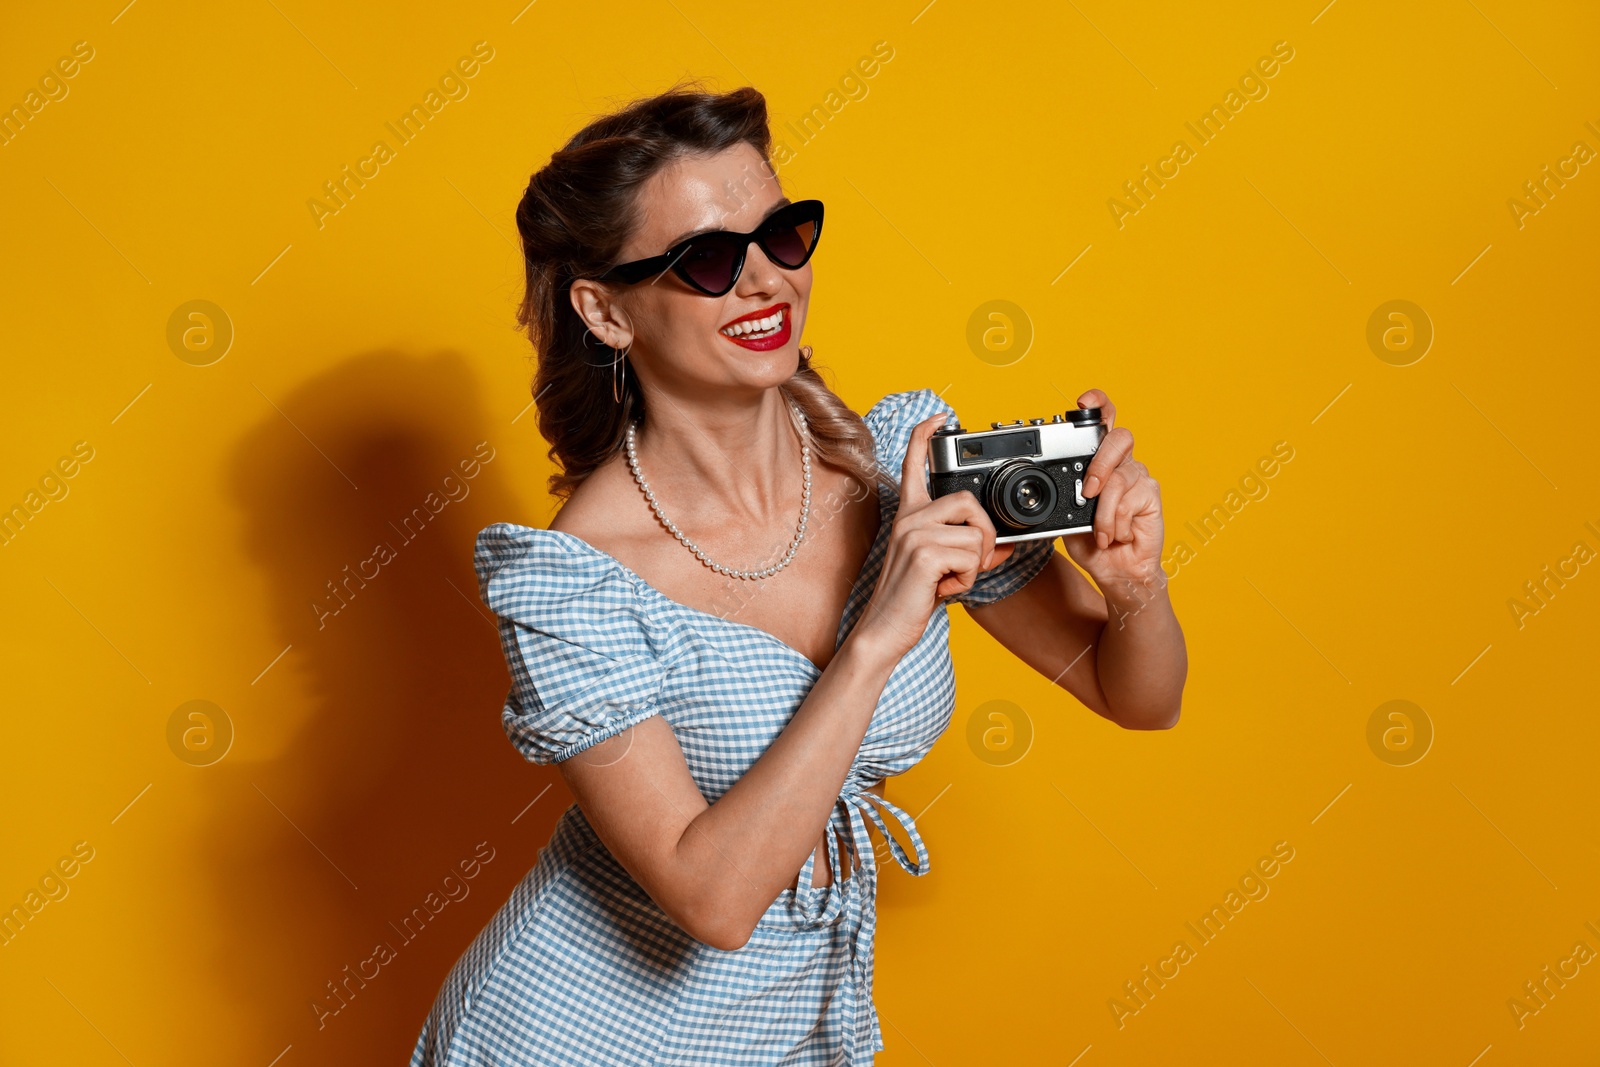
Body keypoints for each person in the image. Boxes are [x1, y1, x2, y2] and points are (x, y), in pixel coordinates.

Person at [410, 84, 1186, 1067]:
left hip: (786, 1031)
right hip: (572, 1035)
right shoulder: (579, 580)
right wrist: (875, 635)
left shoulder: (900, 464)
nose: (765, 281)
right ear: (606, 310)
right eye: (706, 259)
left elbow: (1137, 695)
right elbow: (713, 898)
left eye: (782, 235)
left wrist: (1132, 584)